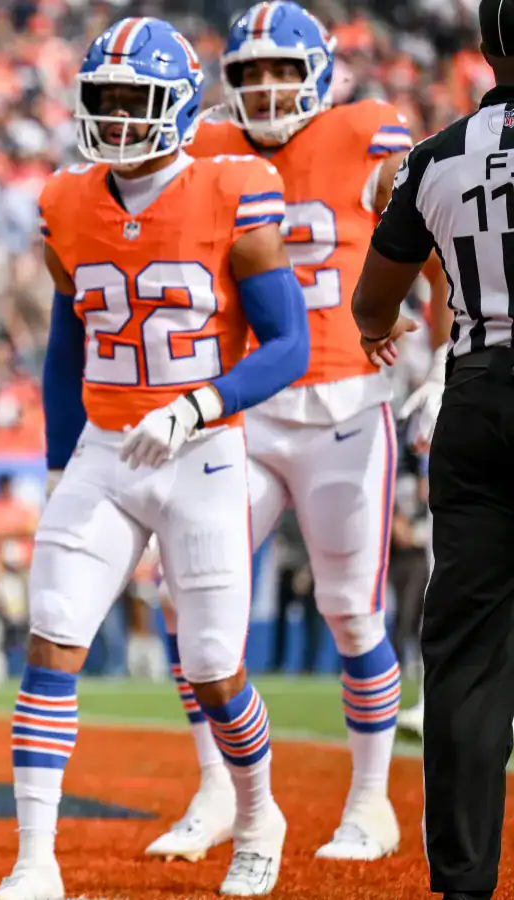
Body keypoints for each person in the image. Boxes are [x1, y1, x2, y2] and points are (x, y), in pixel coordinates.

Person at [0, 17, 309, 900]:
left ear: (180, 106)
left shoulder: (233, 188)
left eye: (139, 101)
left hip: (201, 451)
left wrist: (200, 404)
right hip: (104, 449)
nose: (120, 119)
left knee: (212, 668)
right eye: (106, 100)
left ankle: (258, 813)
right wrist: (59, 463)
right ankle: (35, 860)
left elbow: (289, 345)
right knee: (51, 637)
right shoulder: (66, 201)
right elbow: (64, 349)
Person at [146, 0, 451, 864]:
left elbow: (428, 251)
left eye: (284, 69)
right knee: (191, 597)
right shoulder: (204, 144)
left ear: (318, 71)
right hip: (242, 409)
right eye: (252, 73)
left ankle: (370, 801)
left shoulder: (370, 133)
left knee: (351, 613)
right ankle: (215, 790)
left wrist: (438, 356)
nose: (270, 88)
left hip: (346, 407)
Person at [349, 3, 514, 896]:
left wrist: (384, 330)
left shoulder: (438, 154)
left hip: (479, 389)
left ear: (486, 49)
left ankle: (462, 883)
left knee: (468, 661)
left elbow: (374, 302)